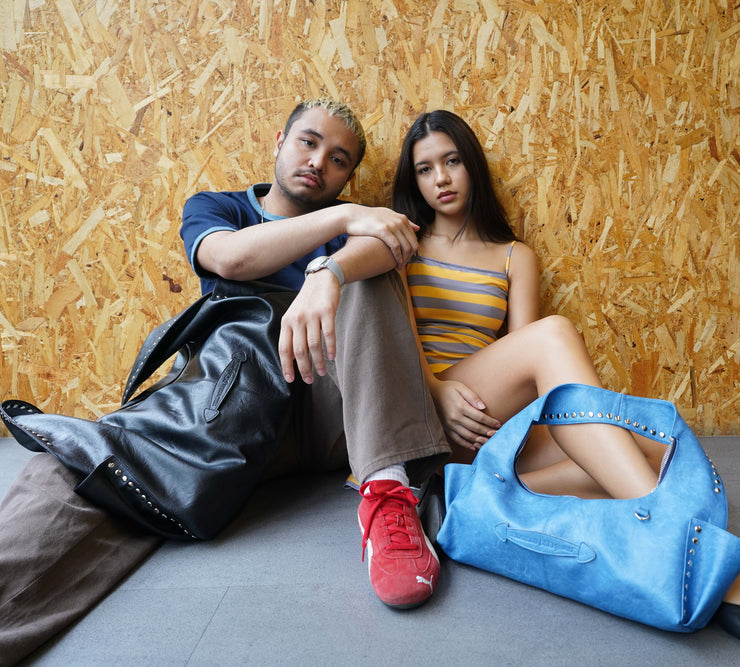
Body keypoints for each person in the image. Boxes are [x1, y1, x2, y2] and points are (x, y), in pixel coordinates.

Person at [0, 98, 451, 666]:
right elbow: (231, 260)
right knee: (85, 468)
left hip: (332, 410)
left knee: (371, 269)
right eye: (309, 142)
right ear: (279, 141)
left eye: (339, 159)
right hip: (233, 403)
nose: (319, 162)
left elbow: (388, 246)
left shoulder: (359, 227)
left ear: (348, 177)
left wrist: (329, 271)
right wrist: (342, 221)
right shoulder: (220, 206)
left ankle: (387, 494)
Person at [390, 109, 740, 658]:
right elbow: (393, 341)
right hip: (430, 409)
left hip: (490, 422)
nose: (441, 178)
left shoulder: (515, 257)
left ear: (471, 165)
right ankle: (725, 576)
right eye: (425, 169)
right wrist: (437, 389)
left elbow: (528, 373)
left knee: (657, 450)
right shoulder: (402, 242)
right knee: (556, 335)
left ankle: (475, 496)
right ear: (414, 180)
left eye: (452, 161)